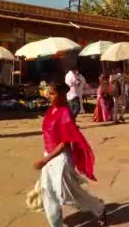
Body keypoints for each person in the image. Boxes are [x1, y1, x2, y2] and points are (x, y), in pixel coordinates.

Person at [35, 82, 106, 226]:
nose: (49, 96)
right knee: (47, 191)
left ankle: (99, 208)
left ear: (62, 95)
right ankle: (56, 223)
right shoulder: (51, 110)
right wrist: (46, 157)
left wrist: (46, 159)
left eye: (53, 93)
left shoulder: (65, 113)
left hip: (60, 157)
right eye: (49, 92)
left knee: (68, 193)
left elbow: (64, 143)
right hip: (48, 155)